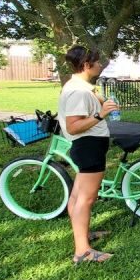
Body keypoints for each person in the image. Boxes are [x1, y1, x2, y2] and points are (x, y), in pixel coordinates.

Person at [58, 46, 119, 264]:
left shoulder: (80, 86)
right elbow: (73, 127)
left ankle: (82, 235)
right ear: (86, 65)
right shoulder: (79, 91)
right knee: (87, 198)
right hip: (88, 145)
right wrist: (100, 114)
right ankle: (83, 252)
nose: (100, 65)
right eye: (97, 62)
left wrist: (101, 103)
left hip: (89, 145)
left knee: (77, 196)